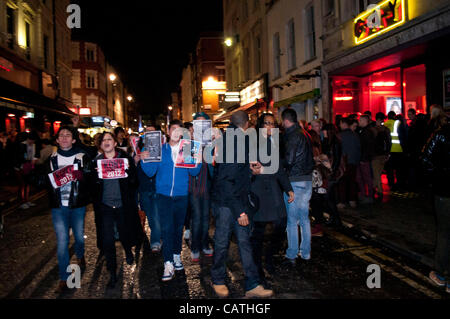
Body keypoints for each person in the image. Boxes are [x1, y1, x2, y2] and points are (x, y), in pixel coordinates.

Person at [211, 110, 273, 298]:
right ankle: (218, 279)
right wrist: (240, 212)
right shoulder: (231, 142)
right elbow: (226, 181)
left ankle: (253, 284)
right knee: (222, 242)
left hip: (238, 200)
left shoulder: (234, 139)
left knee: (244, 242)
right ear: (246, 124)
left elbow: (236, 174)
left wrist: (250, 171)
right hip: (226, 203)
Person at [140, 120, 202, 281]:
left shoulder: (187, 148)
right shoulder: (160, 149)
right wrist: (145, 158)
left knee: (178, 228)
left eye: (178, 129)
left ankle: (176, 255)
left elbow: (195, 172)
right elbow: (149, 172)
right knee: (167, 228)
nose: (175, 132)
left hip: (182, 195)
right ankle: (168, 262)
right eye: (173, 129)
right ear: (168, 131)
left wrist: (199, 158)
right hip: (163, 195)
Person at [44, 126, 92, 293]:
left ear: (73, 139)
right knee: (62, 242)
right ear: (57, 140)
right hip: (58, 207)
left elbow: (90, 177)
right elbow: (44, 183)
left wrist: (82, 176)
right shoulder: (51, 159)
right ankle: (64, 278)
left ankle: (80, 254)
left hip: (77, 206)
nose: (64, 137)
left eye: (68, 135)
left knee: (79, 236)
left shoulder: (82, 156)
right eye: (61, 135)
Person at [92, 132, 141, 288]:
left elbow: (135, 183)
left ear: (115, 143)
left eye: (109, 139)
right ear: (100, 145)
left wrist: (128, 172)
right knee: (107, 240)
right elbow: (91, 188)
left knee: (124, 233)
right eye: (103, 140)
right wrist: (95, 178)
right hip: (105, 206)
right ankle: (112, 272)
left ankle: (127, 250)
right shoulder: (96, 162)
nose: (106, 142)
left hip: (122, 205)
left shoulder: (124, 158)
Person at [250, 113, 294, 280]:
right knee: (258, 232)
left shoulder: (274, 142)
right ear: (261, 125)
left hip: (274, 190)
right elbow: (246, 165)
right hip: (259, 190)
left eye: (273, 124)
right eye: (267, 123)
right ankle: (258, 266)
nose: (270, 126)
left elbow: (280, 168)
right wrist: (253, 170)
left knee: (281, 224)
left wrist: (288, 188)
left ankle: (269, 259)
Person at [280, 108, 314, 264]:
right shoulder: (305, 134)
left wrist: (280, 170)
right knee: (304, 219)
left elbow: (289, 160)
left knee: (292, 220)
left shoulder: (293, 136)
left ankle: (292, 253)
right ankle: (306, 253)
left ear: (286, 121)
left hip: (294, 180)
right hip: (307, 180)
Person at [422, 119, 450, 294]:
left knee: (445, 232)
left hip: (445, 190)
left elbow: (426, 158)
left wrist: (438, 177)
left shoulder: (442, 133)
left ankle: (440, 274)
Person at [189, 113, 214, 262]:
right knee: (197, 218)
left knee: (206, 218)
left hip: (207, 185)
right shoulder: (188, 143)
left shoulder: (211, 143)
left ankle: (205, 243)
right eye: (197, 124)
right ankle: (195, 246)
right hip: (193, 186)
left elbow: (215, 165)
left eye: (203, 124)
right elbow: (187, 164)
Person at [137, 128, 161, 253]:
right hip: (144, 188)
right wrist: (137, 159)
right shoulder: (137, 149)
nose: (150, 134)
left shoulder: (163, 148)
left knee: (155, 217)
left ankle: (156, 241)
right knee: (151, 215)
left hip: (158, 188)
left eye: (153, 132)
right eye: (147, 132)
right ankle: (157, 237)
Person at [337, 117, 361, 209]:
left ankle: (342, 202)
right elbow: (358, 149)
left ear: (343, 123)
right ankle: (352, 200)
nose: (339, 125)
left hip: (343, 163)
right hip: (353, 162)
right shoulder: (355, 135)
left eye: (340, 123)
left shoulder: (339, 135)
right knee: (352, 182)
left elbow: (338, 151)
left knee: (342, 182)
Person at [371, 113, 392, 200]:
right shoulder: (386, 130)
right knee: (378, 173)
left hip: (375, 155)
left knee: (376, 174)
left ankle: (379, 191)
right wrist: (387, 153)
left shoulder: (373, 130)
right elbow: (389, 142)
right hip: (383, 154)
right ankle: (374, 188)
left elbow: (371, 143)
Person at [384, 111, 406, 191]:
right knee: (398, 169)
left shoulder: (385, 124)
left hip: (389, 150)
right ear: (394, 116)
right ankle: (399, 184)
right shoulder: (398, 123)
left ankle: (391, 184)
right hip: (398, 149)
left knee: (389, 169)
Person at [356, 115, 376, 204]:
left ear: (364, 121)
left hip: (364, 159)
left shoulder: (366, 132)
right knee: (365, 177)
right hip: (364, 158)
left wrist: (363, 158)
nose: (358, 122)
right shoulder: (365, 131)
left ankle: (369, 195)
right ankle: (366, 194)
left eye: (360, 120)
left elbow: (366, 146)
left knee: (366, 177)